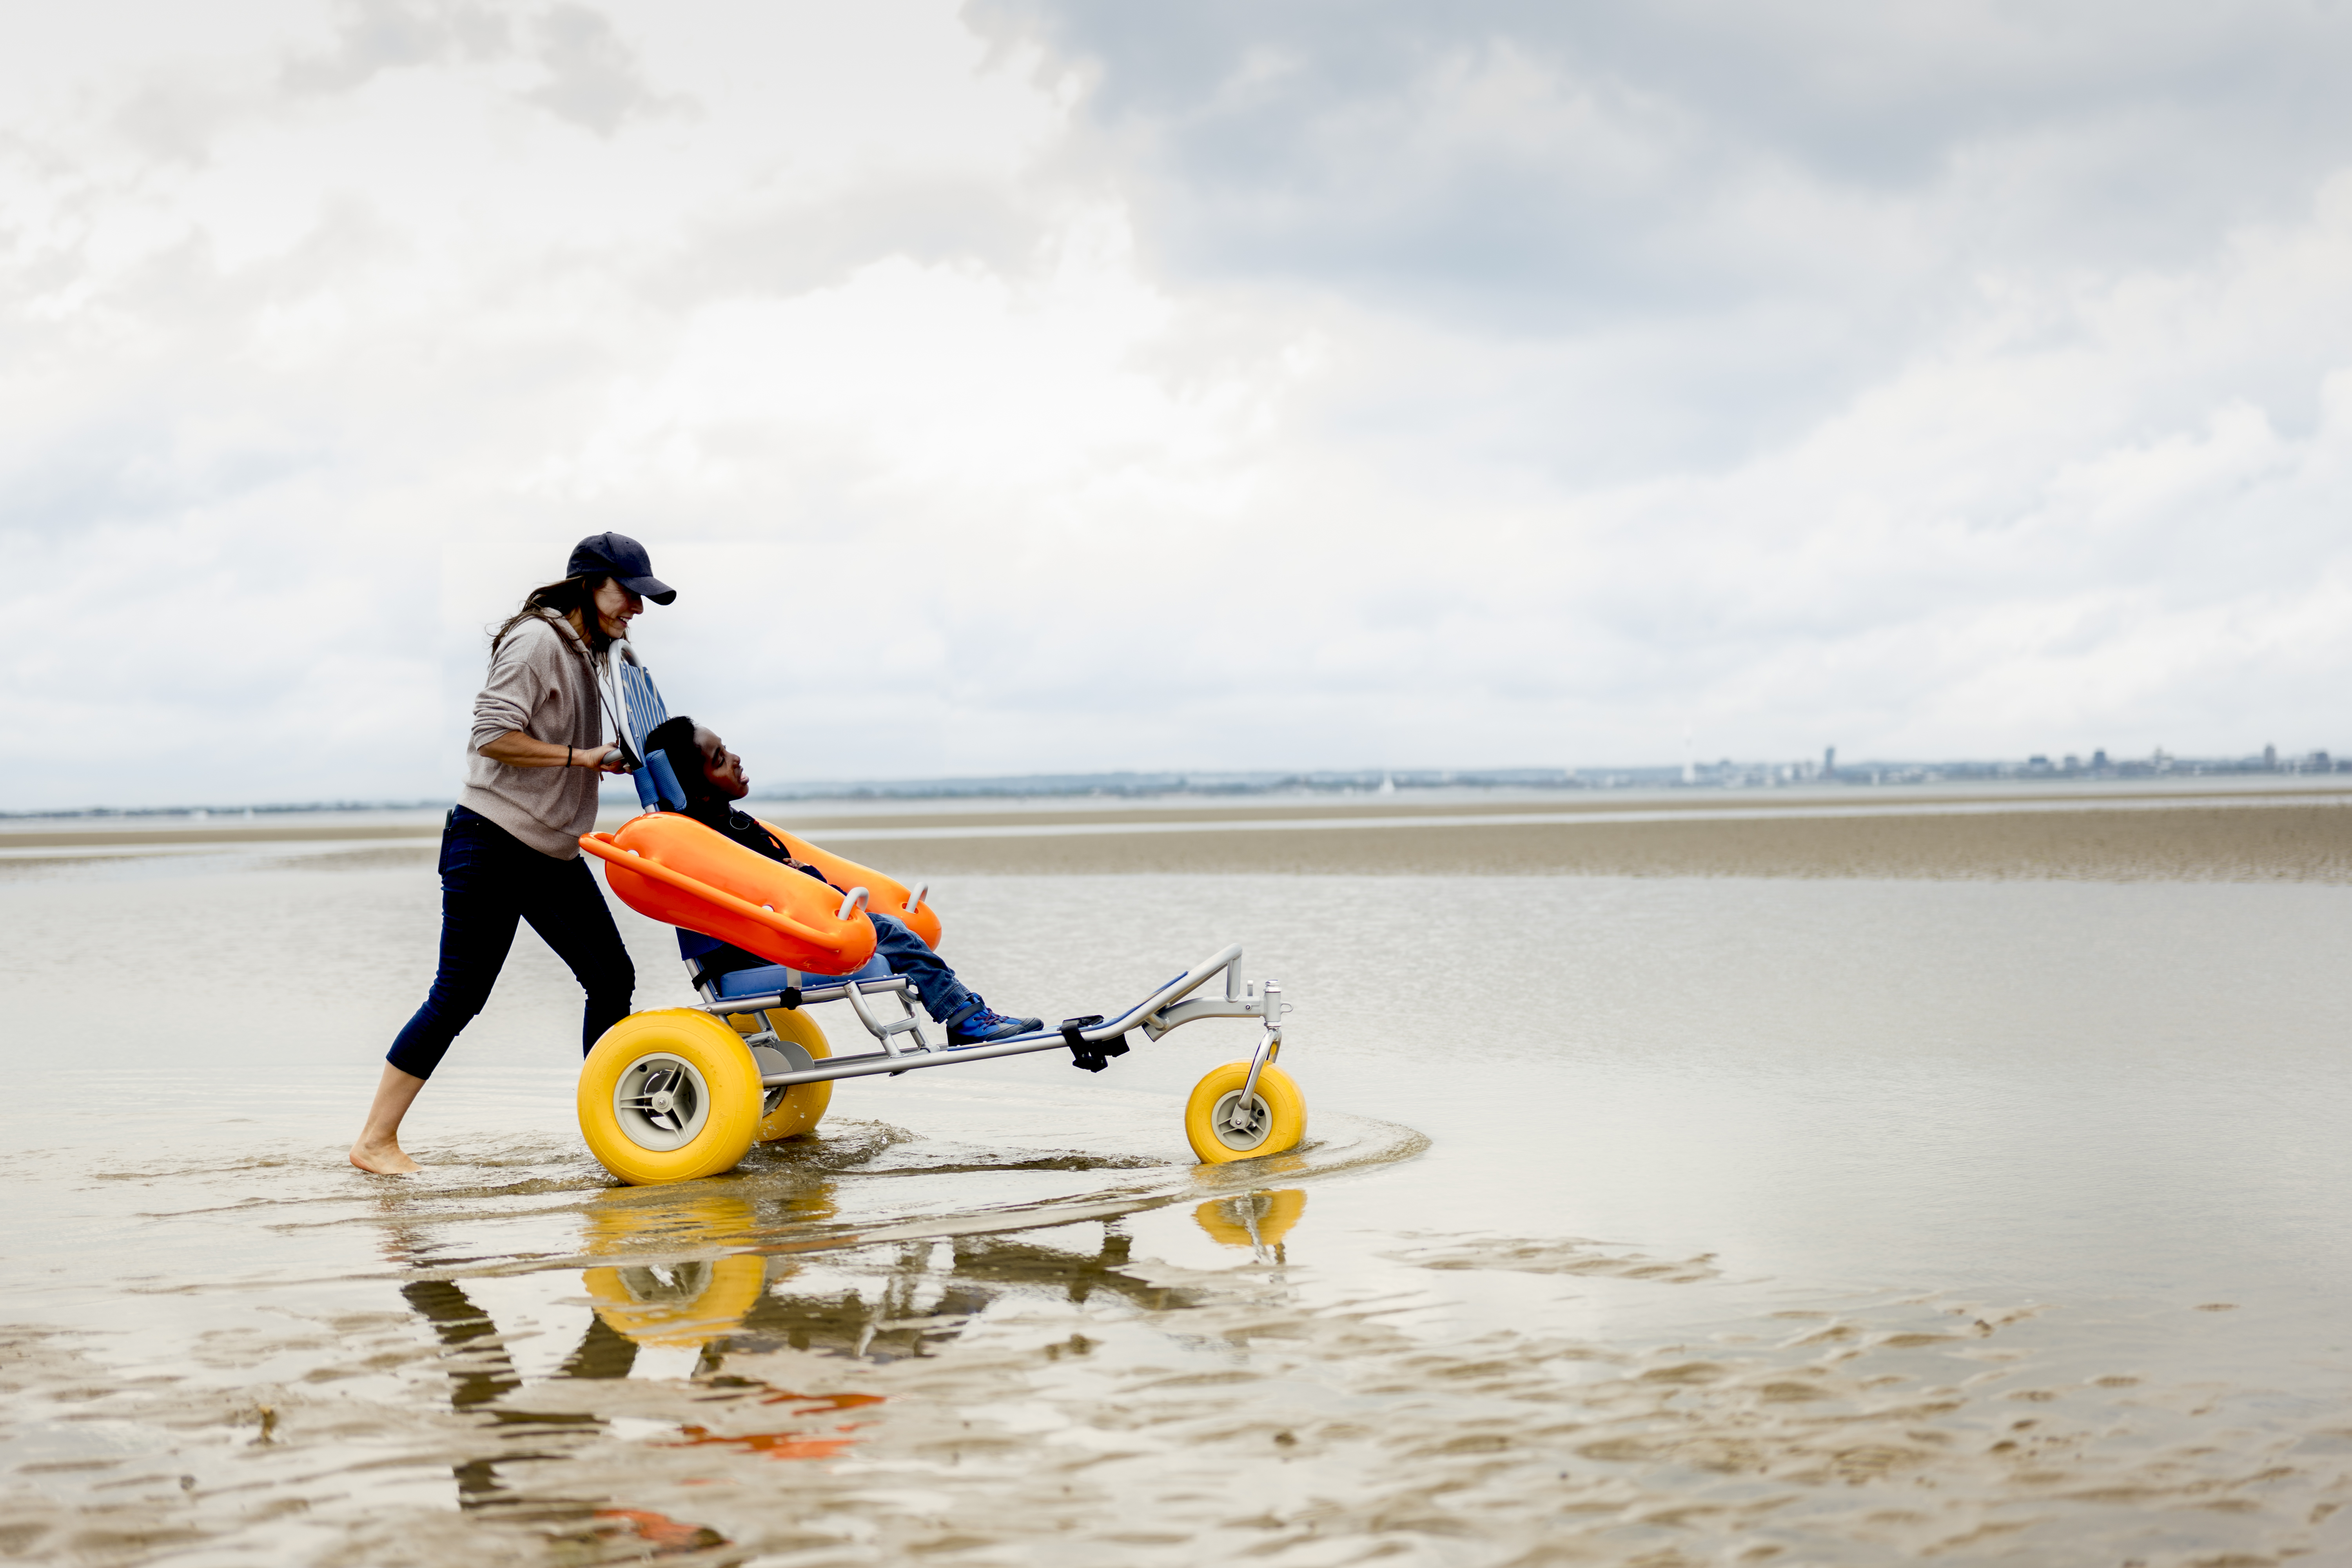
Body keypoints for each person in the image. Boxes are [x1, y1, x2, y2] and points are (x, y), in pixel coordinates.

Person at [349, 534, 676, 1175]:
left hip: (548, 850)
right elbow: (494, 736)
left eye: (643, 599)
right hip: (494, 842)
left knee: (611, 977)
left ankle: (615, 1130)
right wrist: (580, 757)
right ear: (589, 585)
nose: (636, 609)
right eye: (627, 595)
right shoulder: (536, 642)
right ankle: (374, 1142)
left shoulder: (590, 655)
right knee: (460, 994)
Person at [641, 714, 1042, 1045]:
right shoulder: (714, 842)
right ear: (701, 792)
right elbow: (780, 892)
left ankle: (966, 1013)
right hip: (757, 953)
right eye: (720, 760)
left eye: (726, 749)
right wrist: (805, 879)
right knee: (886, 929)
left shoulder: (727, 826)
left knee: (889, 928)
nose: (736, 759)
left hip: (767, 942)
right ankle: (965, 1017)